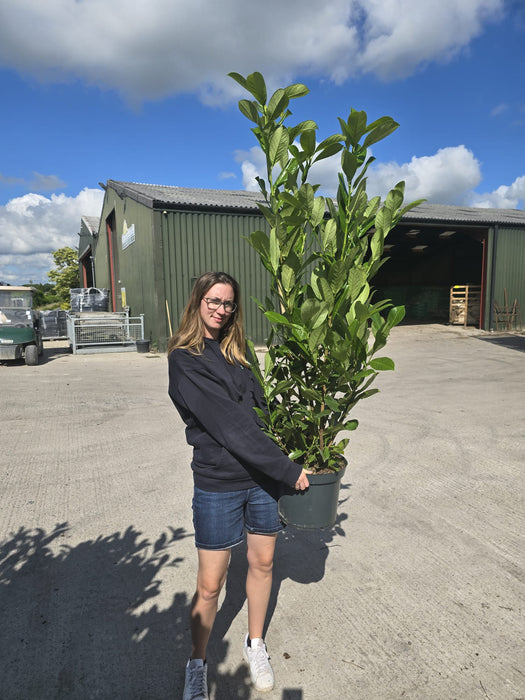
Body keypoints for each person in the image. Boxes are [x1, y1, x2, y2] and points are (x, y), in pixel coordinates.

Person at [167, 271, 309, 700]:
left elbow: (261, 411)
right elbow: (230, 426)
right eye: (213, 301)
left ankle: (255, 643)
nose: (220, 309)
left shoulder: (240, 351)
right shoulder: (184, 357)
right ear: (197, 302)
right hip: (218, 482)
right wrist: (287, 468)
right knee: (212, 582)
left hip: (259, 481)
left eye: (228, 303)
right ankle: (197, 660)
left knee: (263, 564)